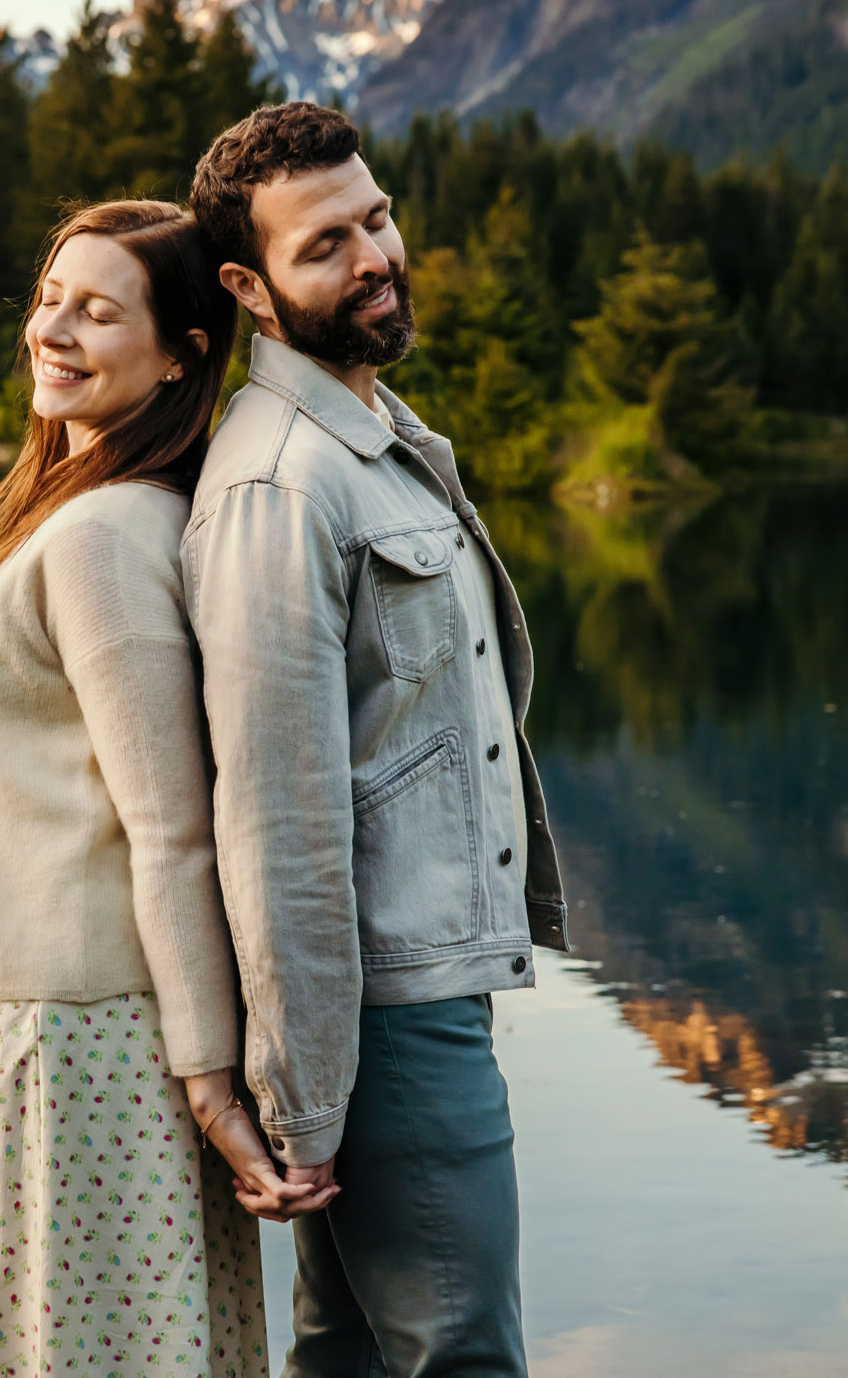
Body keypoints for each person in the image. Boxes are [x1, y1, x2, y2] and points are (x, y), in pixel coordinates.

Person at [0, 199, 326, 1378]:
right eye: (51, 297)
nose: (55, 329)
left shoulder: (106, 538)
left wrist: (214, 1085)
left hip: (66, 1057)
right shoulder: (68, 518)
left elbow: (171, 830)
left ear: (182, 354)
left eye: (100, 310)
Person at [183, 104, 570, 1377]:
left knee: (348, 1359)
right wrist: (306, 1101)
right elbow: (278, 818)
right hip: (389, 1017)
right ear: (247, 284)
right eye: (326, 244)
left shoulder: (376, 444)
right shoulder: (279, 483)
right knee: (462, 1358)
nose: (375, 256)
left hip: (407, 997)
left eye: (380, 217)